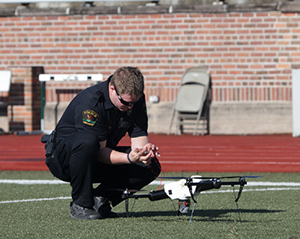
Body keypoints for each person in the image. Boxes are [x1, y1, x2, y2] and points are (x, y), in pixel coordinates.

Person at [42, 66, 161, 220]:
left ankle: (102, 199)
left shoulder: (133, 99)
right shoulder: (91, 103)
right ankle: (81, 204)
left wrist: (144, 153)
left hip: (97, 156)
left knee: (150, 165)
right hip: (66, 161)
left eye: (133, 103)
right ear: (112, 88)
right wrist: (130, 158)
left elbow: (139, 137)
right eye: (126, 103)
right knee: (88, 141)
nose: (130, 107)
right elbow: (98, 150)